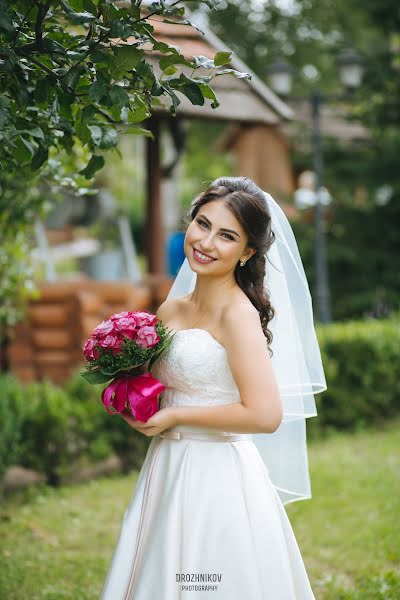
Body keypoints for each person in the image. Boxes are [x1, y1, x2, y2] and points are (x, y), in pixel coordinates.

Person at [100, 176, 326, 599]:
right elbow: (161, 382)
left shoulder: (237, 316)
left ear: (248, 252)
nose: (205, 242)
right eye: (202, 224)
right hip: (167, 464)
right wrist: (126, 387)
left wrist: (177, 415)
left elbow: (264, 415)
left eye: (227, 235)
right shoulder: (172, 307)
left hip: (216, 474)